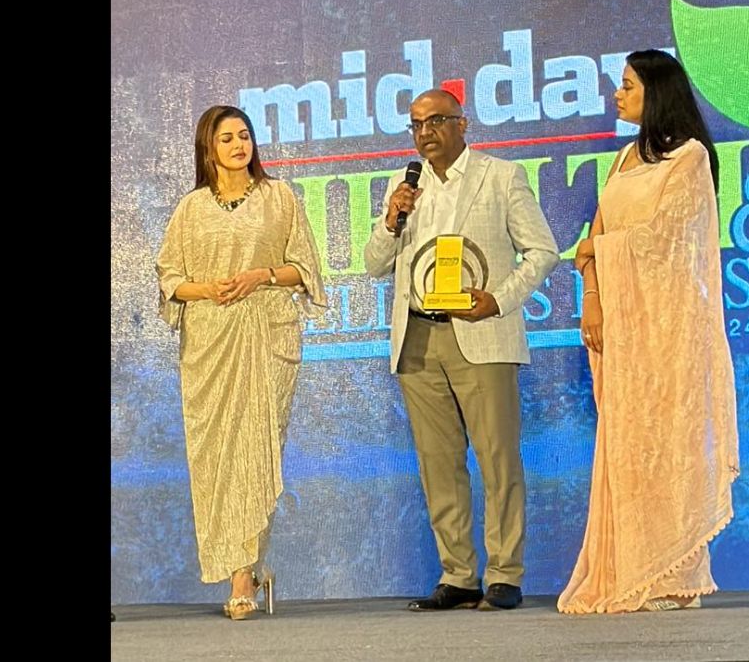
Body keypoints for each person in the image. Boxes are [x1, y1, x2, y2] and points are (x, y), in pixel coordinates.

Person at [558, 50, 740, 614]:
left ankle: (674, 576)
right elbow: (594, 241)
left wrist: (599, 249)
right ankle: (630, 572)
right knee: (628, 445)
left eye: (628, 85)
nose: (618, 94)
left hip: (669, 329)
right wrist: (593, 300)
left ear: (656, 92)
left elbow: (668, 242)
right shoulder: (622, 158)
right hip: (620, 325)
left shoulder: (689, 158)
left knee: (670, 442)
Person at [364, 89, 559, 612]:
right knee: (438, 462)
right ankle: (458, 575)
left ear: (462, 124)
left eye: (436, 121)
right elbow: (374, 263)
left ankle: (505, 574)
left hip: (481, 332)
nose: (425, 132)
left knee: (498, 458)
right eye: (416, 124)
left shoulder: (501, 177)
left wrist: (499, 300)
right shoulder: (405, 186)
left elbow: (543, 251)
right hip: (418, 336)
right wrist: (391, 220)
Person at [156, 105, 327, 620]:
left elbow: (305, 269)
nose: (238, 145)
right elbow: (170, 279)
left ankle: (243, 575)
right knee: (218, 460)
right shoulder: (191, 208)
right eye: (227, 137)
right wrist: (207, 289)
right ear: (208, 148)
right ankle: (241, 565)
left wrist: (261, 276)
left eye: (245, 135)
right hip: (209, 343)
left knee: (256, 451)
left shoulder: (279, 197)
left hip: (268, 334)